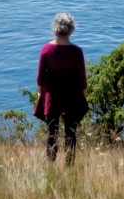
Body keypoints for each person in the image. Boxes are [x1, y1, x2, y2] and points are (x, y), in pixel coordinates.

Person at [33, 12, 88, 164]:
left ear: (55, 29)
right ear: (71, 30)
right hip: (72, 96)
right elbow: (82, 79)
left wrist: (40, 94)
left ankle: (51, 164)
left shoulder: (46, 49)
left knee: (52, 133)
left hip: (51, 96)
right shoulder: (76, 51)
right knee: (71, 133)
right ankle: (69, 165)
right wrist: (83, 96)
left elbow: (40, 77)